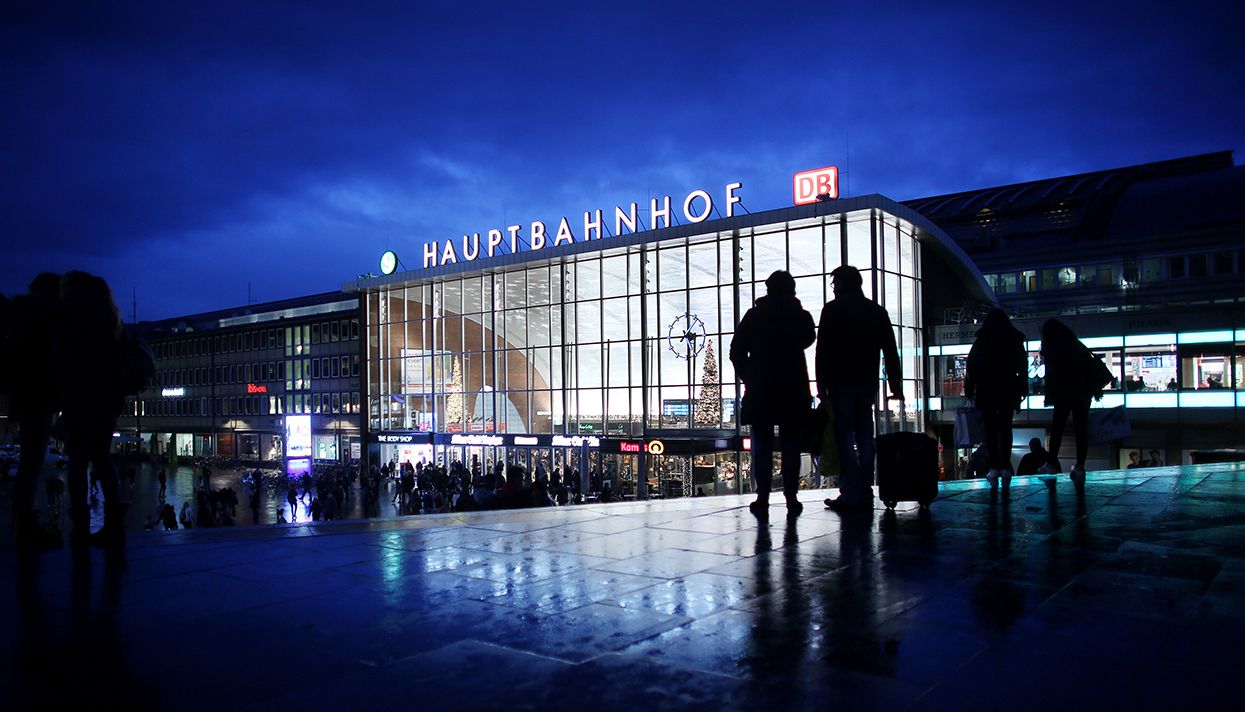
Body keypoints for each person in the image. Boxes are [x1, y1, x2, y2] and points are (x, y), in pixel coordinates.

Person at [815, 265, 903, 512]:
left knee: (844, 438)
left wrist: (821, 385)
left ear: (841, 284)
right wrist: (895, 385)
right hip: (866, 383)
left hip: (840, 383)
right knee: (865, 437)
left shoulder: (832, 310)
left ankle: (850, 492)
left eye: (834, 284)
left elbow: (822, 351)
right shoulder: (875, 311)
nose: (833, 289)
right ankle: (865, 489)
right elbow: (890, 351)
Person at [730, 270, 816, 518]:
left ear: (768, 289)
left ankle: (763, 497)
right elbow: (808, 338)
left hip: (762, 390)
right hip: (792, 388)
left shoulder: (754, 316)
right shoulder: (800, 316)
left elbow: (736, 351)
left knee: (762, 443)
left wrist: (750, 377)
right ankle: (791, 496)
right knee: (791, 444)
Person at [59, 271, 131, 547]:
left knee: (78, 460)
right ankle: (114, 524)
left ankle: (80, 524)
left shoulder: (73, 319)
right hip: (108, 400)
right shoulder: (113, 323)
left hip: (81, 397)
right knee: (102, 458)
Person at [4, 273, 65, 549]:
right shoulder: (48, 317)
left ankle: (22, 521)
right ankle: (26, 524)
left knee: (29, 462)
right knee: (32, 462)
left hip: (23, 395)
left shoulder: (18, 314)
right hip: (40, 395)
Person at [1038, 318, 1112, 486]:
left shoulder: (1054, 348)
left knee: (1057, 429)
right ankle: (1080, 466)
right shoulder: (1077, 346)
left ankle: (1051, 464)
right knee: (1081, 430)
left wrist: (1050, 396)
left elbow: (1053, 376)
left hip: (1063, 394)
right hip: (1082, 394)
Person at [963, 308, 1028, 492]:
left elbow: (971, 366)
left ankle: (993, 467)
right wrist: (1023, 388)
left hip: (987, 389)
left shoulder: (983, 339)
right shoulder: (1014, 339)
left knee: (990, 429)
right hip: (1008, 388)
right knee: (1006, 428)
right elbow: (1022, 366)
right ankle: (1005, 466)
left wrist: (971, 389)